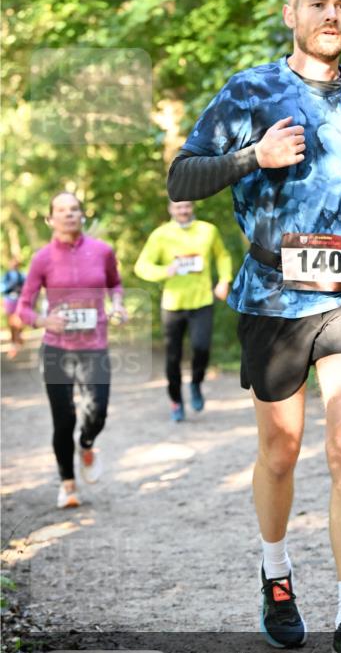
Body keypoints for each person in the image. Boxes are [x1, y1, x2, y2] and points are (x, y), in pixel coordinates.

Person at [168, 0, 341, 653]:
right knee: (280, 451)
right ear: (290, 14)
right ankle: (275, 573)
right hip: (271, 293)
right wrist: (250, 157)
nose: (332, 14)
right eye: (318, 3)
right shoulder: (249, 89)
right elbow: (181, 175)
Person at [17, 192, 127, 509]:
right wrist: (42, 320)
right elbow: (23, 308)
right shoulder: (41, 259)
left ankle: (87, 443)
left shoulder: (103, 251)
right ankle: (68, 485)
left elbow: (115, 284)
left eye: (74, 209)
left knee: (98, 412)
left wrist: (117, 304)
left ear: (82, 215)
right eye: (62, 210)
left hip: (94, 346)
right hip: (57, 349)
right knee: (63, 419)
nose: (69, 214)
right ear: (50, 219)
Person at [134, 200, 232, 421]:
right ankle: (176, 400)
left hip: (202, 301)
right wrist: (164, 271)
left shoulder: (208, 230)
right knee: (173, 357)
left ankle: (196, 383)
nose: (183, 210)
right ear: (170, 209)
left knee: (201, 348)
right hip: (173, 304)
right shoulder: (161, 235)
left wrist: (224, 280)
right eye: (178, 207)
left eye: (187, 206)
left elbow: (222, 256)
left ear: (193, 207)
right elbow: (142, 266)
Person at [2, 257, 26, 359]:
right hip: (9, 300)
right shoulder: (6, 276)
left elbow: (28, 287)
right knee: (11, 322)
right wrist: (9, 286)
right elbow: (2, 287)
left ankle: (18, 338)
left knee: (19, 320)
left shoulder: (22, 275)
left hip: (19, 300)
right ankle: (14, 340)